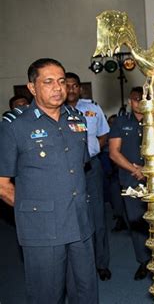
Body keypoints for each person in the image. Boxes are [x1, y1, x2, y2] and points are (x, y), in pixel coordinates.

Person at [0, 58, 97, 303]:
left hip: (79, 225)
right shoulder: (14, 126)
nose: (58, 88)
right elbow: (2, 185)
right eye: (49, 82)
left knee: (85, 293)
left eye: (62, 81)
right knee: (47, 296)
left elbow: (79, 169)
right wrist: (34, 214)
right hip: (42, 231)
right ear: (32, 88)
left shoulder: (77, 120)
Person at [108, 86, 154, 280]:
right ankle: (144, 262)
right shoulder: (121, 121)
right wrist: (135, 170)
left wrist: (148, 171)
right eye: (136, 99)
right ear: (130, 101)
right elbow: (113, 152)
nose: (140, 103)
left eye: (144, 99)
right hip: (130, 180)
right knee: (136, 223)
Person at [65, 72, 111, 281]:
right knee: (70, 218)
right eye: (68, 85)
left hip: (91, 168)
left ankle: (101, 263)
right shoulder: (55, 112)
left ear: (80, 89)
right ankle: (78, 267)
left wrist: (91, 152)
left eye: (75, 85)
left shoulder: (92, 109)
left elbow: (103, 135)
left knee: (97, 217)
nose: (71, 89)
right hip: (65, 172)